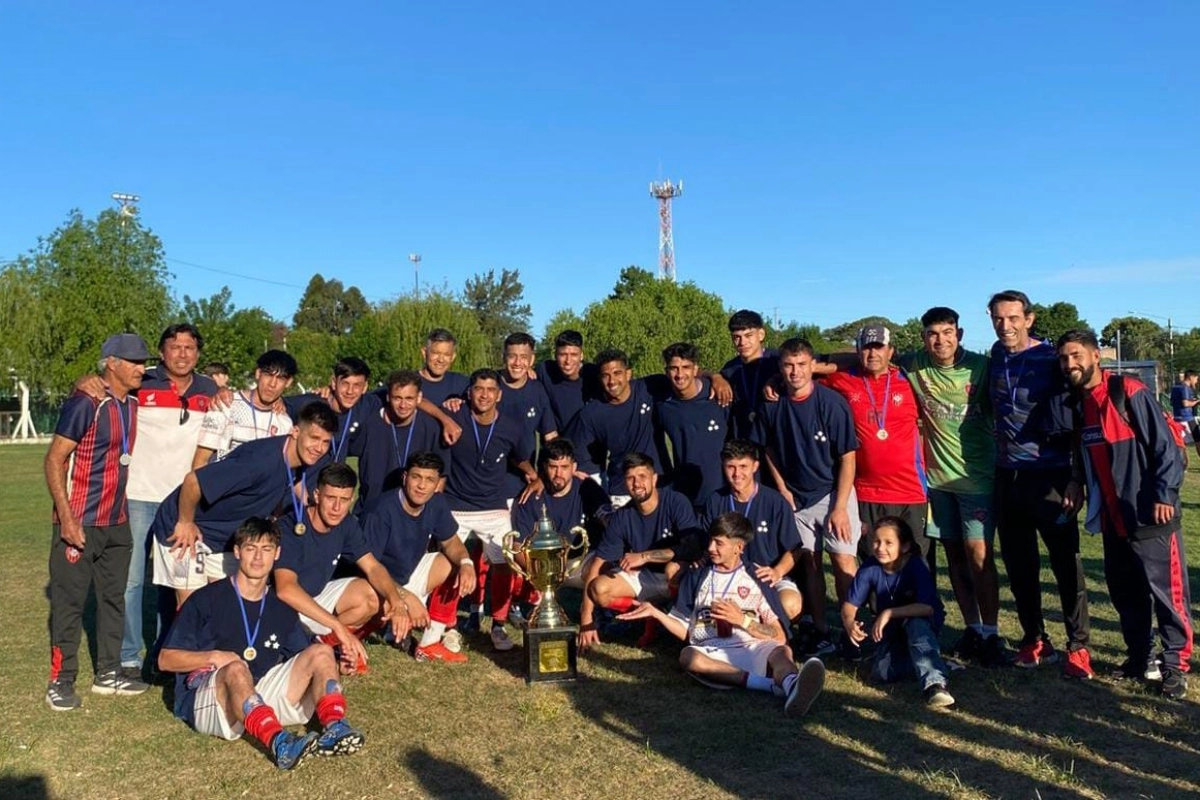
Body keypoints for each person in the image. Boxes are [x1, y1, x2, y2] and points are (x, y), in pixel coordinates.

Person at [159, 517, 364, 769]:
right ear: (237, 552)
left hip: (256, 692)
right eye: (250, 548)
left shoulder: (281, 608)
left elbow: (306, 658)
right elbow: (165, 659)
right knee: (235, 668)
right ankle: (280, 743)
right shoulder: (206, 599)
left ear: (277, 554)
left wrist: (337, 664)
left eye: (266, 549)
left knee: (321, 652)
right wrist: (213, 657)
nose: (258, 557)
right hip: (210, 700)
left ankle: (336, 727)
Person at [78, 323, 218, 682]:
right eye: (175, 347)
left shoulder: (211, 390)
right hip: (138, 496)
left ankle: (165, 653)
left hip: (183, 504)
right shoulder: (143, 381)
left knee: (177, 582)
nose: (182, 354)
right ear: (161, 352)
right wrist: (83, 380)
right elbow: (96, 385)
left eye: (190, 347)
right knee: (131, 581)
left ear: (198, 354)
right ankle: (128, 657)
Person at [1058, 330, 1193, 699]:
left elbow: (1165, 449)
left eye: (1076, 355)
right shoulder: (1078, 404)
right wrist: (1075, 482)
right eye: (1064, 359)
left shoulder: (1129, 392)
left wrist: (1164, 494)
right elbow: (1083, 455)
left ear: (1094, 356)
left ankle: (1176, 666)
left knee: (1167, 594)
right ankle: (1139, 658)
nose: (1070, 364)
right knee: (1126, 594)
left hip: (1151, 513)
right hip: (1113, 519)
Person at [617, 513, 826, 717]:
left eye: (718, 543)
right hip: (712, 650)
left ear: (739, 548)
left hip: (752, 646)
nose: (710, 549)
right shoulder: (696, 578)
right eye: (711, 541)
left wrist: (742, 620)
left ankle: (792, 686)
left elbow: (779, 635)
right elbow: (686, 633)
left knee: (782, 652)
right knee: (688, 657)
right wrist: (656, 613)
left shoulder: (756, 577)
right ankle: (770, 686)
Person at [44, 334, 153, 710]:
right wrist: (68, 519)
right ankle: (61, 680)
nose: (142, 368)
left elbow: (186, 377)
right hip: (80, 521)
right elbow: (54, 459)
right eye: (135, 362)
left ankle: (108, 673)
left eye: (144, 362)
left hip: (116, 520)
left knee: (113, 599)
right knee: (69, 604)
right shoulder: (85, 402)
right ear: (112, 364)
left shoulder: (134, 399)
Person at [988, 290, 1092, 677]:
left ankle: (1078, 646)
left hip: (1051, 475)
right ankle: (1035, 638)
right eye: (999, 318)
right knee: (1020, 565)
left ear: (1029, 319)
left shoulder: (1052, 359)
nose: (1006, 325)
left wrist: (1076, 477)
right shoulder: (996, 357)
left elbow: (1082, 416)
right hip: (1007, 476)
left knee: (1066, 565)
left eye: (1013, 318)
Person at [149, 402, 337, 609]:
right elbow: (193, 481)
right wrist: (185, 521)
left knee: (226, 607)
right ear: (295, 431)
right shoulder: (259, 462)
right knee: (192, 608)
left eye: (326, 442)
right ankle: (175, 640)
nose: (319, 448)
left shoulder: (297, 463)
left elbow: (283, 493)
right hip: (184, 526)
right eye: (314, 438)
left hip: (223, 537)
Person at [899, 307, 1005, 667]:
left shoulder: (982, 367)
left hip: (978, 480)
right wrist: (818, 361)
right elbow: (865, 356)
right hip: (938, 483)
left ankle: (992, 632)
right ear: (923, 337)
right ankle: (973, 629)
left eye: (947, 332)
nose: (940, 340)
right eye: (933, 333)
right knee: (955, 557)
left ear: (959, 333)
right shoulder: (914, 366)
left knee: (979, 554)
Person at [756, 337, 861, 656]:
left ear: (812, 366)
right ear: (780, 367)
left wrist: (840, 506)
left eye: (802, 365)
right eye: (788, 365)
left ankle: (851, 629)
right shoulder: (772, 404)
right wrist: (783, 489)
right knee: (810, 563)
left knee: (843, 559)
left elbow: (847, 456)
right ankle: (821, 630)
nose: (795, 372)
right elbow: (768, 449)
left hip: (832, 493)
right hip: (795, 499)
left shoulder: (831, 403)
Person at [272, 463, 411, 674]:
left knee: (372, 595)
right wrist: (338, 626)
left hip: (317, 597)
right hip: (284, 606)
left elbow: (373, 566)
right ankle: (325, 646)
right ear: (317, 495)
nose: (337, 508)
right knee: (303, 666)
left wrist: (397, 601)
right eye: (331, 498)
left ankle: (328, 643)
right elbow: (285, 590)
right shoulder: (291, 526)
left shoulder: (346, 523)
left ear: (352, 500)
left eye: (344, 500)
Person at [442, 369, 542, 650]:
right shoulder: (455, 415)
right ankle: (448, 626)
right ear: (469, 392)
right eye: (478, 389)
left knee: (504, 563)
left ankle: (498, 624)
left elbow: (519, 458)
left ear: (499, 394)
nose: (484, 394)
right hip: (456, 505)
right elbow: (420, 401)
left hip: (493, 507)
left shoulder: (512, 427)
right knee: (447, 564)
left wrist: (534, 474)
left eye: (490, 389)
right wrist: (443, 413)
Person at [821, 325, 929, 565]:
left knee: (915, 562)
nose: (873, 355)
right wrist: (776, 379)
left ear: (891, 351)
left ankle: (921, 605)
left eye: (879, 348)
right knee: (874, 561)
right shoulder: (844, 379)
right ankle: (877, 605)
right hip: (867, 492)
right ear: (857, 352)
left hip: (910, 491)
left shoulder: (910, 380)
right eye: (866, 348)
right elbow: (804, 371)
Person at [577, 453, 703, 651]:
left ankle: (682, 626)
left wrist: (644, 556)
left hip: (679, 575)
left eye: (642, 476)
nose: (637, 484)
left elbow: (692, 547)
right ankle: (651, 615)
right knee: (598, 589)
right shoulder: (623, 516)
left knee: (673, 569)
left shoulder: (676, 502)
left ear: (654, 478)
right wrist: (586, 619)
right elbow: (597, 565)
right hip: (645, 577)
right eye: (630, 478)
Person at [363, 452, 478, 663]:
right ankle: (339, 642)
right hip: (377, 584)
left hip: (407, 575)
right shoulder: (380, 511)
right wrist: (406, 598)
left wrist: (467, 563)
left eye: (429, 480)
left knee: (453, 564)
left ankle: (429, 643)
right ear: (405, 477)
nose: (422, 486)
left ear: (437, 484)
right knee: (366, 603)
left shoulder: (436, 502)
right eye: (416, 477)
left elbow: (451, 541)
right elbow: (369, 569)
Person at [842, 516, 953, 708]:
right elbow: (849, 604)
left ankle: (935, 684)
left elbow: (926, 608)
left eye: (888, 543)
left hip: (920, 621)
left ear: (904, 546)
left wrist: (888, 613)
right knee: (881, 673)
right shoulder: (870, 565)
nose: (880, 548)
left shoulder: (916, 565)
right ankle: (930, 662)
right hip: (891, 628)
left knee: (916, 627)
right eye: (876, 541)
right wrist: (849, 621)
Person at [703, 440, 802, 625]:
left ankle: (767, 637)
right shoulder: (715, 500)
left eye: (743, 466)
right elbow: (706, 545)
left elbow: (795, 549)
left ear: (755, 466)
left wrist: (777, 571)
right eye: (731, 467)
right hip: (725, 575)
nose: (737, 473)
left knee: (790, 603)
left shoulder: (775, 502)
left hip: (765, 576)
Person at [512, 438, 612, 588]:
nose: (558, 473)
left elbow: (610, 520)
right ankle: (530, 603)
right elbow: (517, 546)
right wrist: (538, 573)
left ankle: (599, 610)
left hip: (583, 561)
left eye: (564, 467)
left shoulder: (588, 488)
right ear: (545, 467)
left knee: (607, 567)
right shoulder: (530, 497)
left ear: (574, 467)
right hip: (544, 564)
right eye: (553, 467)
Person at [352, 370, 444, 512]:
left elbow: (441, 476)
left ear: (419, 398)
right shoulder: (369, 424)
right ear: (388, 397)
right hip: (371, 510)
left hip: (412, 512)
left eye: (409, 398)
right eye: (397, 398)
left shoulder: (430, 427)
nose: (403, 405)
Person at [657, 342, 731, 512]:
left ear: (696, 369)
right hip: (686, 497)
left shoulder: (720, 396)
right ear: (666, 371)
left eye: (686, 367)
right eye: (674, 368)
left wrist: (715, 377)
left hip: (723, 495)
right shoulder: (663, 405)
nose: (680, 374)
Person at [193, 349, 297, 467]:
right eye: (268, 375)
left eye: (280, 378)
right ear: (258, 373)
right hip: (221, 483)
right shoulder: (225, 404)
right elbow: (200, 462)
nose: (272, 384)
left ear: (288, 382)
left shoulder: (284, 423)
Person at [495, 332, 558, 500]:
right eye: (512, 356)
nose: (517, 363)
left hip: (525, 484)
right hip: (489, 484)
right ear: (503, 357)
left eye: (523, 357)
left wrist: (547, 474)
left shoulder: (537, 390)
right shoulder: (489, 385)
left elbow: (550, 436)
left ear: (531, 360)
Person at [721, 309, 780, 442]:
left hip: (775, 442)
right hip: (745, 444)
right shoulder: (730, 369)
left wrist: (779, 376)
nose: (742, 342)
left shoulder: (778, 360)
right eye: (737, 337)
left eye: (748, 335)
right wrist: (715, 377)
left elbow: (811, 365)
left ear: (761, 334)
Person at [533, 329, 603, 435]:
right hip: (557, 444)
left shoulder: (595, 374)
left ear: (582, 355)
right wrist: (526, 371)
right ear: (555, 355)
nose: (568, 361)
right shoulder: (545, 371)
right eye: (563, 354)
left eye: (574, 354)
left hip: (590, 444)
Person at [418, 328, 471, 409]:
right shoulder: (409, 383)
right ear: (424, 353)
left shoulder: (462, 384)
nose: (441, 360)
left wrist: (461, 403)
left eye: (447, 354)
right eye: (436, 353)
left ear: (453, 357)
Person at [1170, 370, 1200, 459]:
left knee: (1181, 444)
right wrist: (1197, 402)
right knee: (1198, 441)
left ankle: (1183, 464)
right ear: (1191, 377)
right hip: (1187, 418)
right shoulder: (1185, 388)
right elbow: (1185, 403)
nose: (1196, 381)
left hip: (1177, 418)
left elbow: (1172, 402)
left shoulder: (1175, 387)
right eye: (1196, 379)